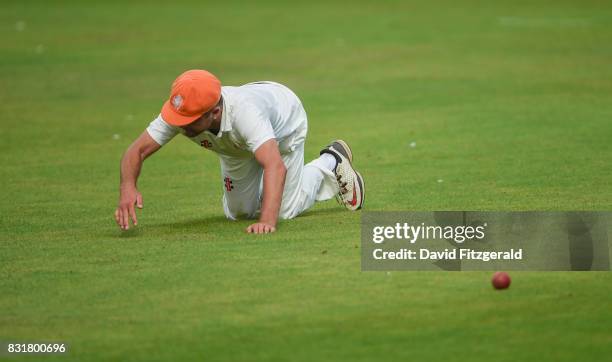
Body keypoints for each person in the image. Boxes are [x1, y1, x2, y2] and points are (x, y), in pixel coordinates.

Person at [114, 69, 365, 234]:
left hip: (284, 126)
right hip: (235, 149)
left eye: (189, 121)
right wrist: (128, 186)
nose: (180, 125)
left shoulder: (245, 114)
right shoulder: (180, 113)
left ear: (215, 112)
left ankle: (329, 162)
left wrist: (267, 221)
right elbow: (136, 151)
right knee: (239, 214)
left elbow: (275, 165)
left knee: (283, 212)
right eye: (178, 119)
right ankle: (272, 192)